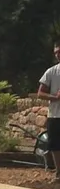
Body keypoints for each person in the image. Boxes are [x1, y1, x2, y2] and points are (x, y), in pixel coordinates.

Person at [36, 41, 60, 180]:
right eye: (56, 52)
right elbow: (40, 93)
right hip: (55, 115)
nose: (58, 55)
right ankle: (58, 173)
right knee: (55, 145)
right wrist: (55, 97)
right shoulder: (51, 72)